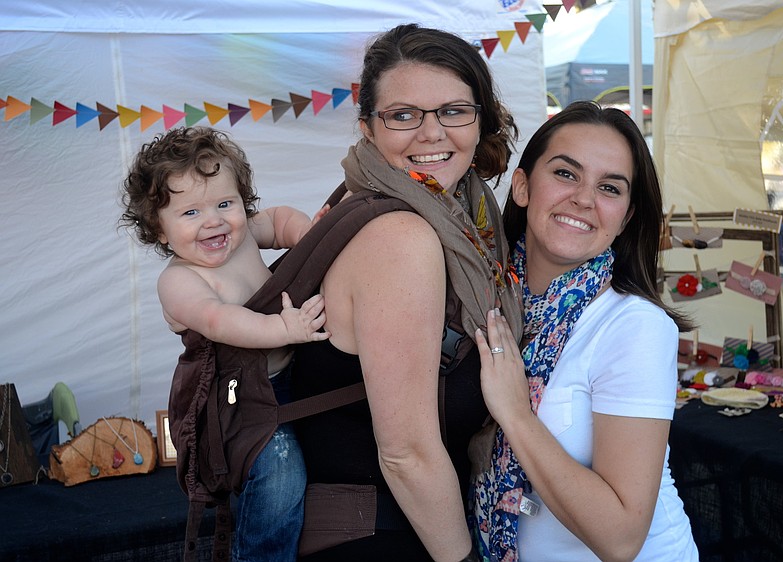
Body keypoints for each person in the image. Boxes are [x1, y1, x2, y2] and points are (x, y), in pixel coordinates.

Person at [288, 23, 523, 561]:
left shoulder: (462, 215)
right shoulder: (402, 236)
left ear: (480, 117)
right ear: (369, 125)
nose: (431, 133)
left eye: (453, 111)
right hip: (380, 537)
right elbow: (406, 454)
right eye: (403, 115)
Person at [471, 101, 700, 561]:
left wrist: (516, 415)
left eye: (609, 187)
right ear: (521, 186)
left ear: (626, 216)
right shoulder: (488, 305)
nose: (583, 199)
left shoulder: (634, 326)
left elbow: (621, 538)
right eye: (565, 174)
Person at [120, 126, 329, 562]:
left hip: (289, 376)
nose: (213, 220)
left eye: (224, 203)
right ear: (158, 229)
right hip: (232, 404)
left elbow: (280, 218)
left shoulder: (245, 233)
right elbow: (220, 320)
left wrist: (309, 236)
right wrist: (283, 331)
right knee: (280, 470)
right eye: (190, 213)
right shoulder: (179, 280)